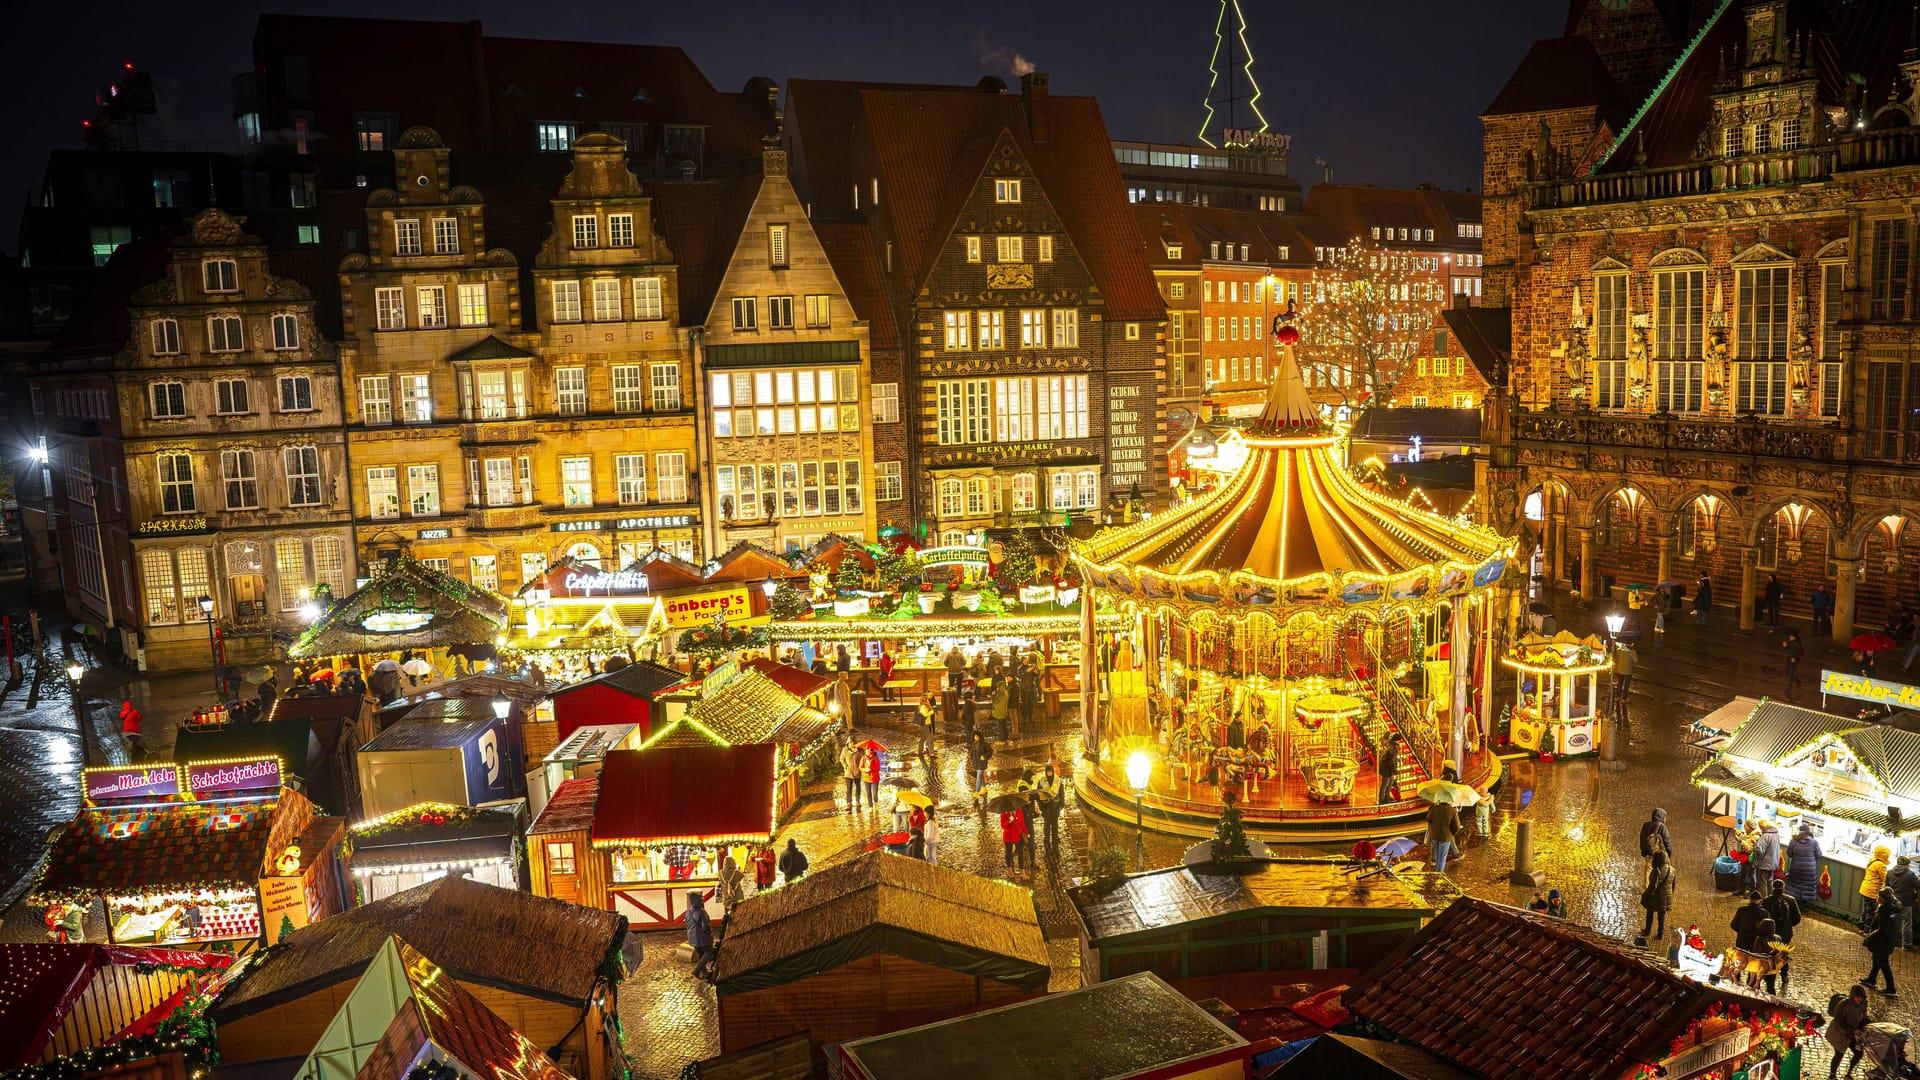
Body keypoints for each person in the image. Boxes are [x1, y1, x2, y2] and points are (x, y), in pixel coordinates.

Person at [1864, 886, 1901, 996]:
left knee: (1883, 962)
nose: (1877, 897)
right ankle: (1871, 979)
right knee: (1877, 958)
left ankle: (1891, 988)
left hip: (1883, 941)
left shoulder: (1885, 910)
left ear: (1883, 898)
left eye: (1879, 896)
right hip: (1889, 940)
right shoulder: (1893, 909)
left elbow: (1883, 930)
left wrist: (1870, 937)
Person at [1827, 985, 1871, 1079]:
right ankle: (1832, 1075)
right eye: (1857, 997)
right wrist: (1853, 1030)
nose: (1859, 999)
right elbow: (1838, 1021)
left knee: (1859, 1053)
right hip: (1840, 1034)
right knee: (1839, 1054)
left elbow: (1863, 1018)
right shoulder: (1843, 1004)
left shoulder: (1863, 1005)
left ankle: (1848, 1073)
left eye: (1861, 997)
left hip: (1853, 1035)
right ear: (1853, 996)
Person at [1639, 850, 1675, 943]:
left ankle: (1647, 930)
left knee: (1650, 912)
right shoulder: (1672, 869)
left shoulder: (1657, 871)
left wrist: (1645, 894)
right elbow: (1673, 884)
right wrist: (1670, 894)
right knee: (1661, 915)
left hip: (1655, 897)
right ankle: (1660, 934)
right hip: (1665, 897)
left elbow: (1653, 886)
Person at [1889, 855, 1920, 949]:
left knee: (1892, 921)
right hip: (1906, 901)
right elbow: (1918, 885)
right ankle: (1906, 944)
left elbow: (1887, 887)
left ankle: (1891, 941)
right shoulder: (1910, 874)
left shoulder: (1889, 872)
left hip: (1893, 900)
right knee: (1906, 923)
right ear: (1907, 865)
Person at [1785, 823, 1822, 902]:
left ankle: (1794, 902)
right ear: (1808, 832)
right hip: (1809, 871)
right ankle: (1803, 903)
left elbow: (1789, 854)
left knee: (1794, 885)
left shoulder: (1793, 841)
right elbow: (1819, 855)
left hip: (1796, 868)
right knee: (1807, 886)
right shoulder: (1814, 842)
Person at [1761, 879, 1802, 945]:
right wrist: (1789, 924)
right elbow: (1797, 918)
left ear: (1772, 887)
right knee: (1782, 953)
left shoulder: (1767, 900)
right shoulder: (1791, 900)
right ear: (1783, 888)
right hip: (1786, 933)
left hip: (1770, 934)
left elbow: (1762, 917)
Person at [685, 891, 715, 982]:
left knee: (701, 954)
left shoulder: (688, 912)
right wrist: (710, 934)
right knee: (708, 953)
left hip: (692, 937)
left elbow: (687, 923)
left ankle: (704, 972)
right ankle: (697, 970)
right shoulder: (701, 912)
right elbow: (705, 926)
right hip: (702, 937)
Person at [1424, 800, 1461, 874]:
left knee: (1437, 854)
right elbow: (1457, 826)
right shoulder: (1452, 810)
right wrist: (1452, 833)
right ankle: (1439, 873)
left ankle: (1437, 871)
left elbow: (1428, 819)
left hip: (1434, 834)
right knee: (1442, 856)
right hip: (1446, 836)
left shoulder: (1435, 808)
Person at [1035, 762, 1065, 849]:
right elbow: (1038, 794)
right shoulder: (1042, 781)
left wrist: (1062, 803)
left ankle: (1055, 836)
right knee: (1047, 823)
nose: (1049, 773)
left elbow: (1061, 792)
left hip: (1055, 805)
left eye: (1050, 772)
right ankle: (1046, 838)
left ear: (1052, 771)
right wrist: (1040, 806)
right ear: (1046, 772)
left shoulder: (1057, 780)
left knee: (1055, 822)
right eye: (1048, 772)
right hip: (1046, 806)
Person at [1862, 844, 1892, 927]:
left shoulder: (1871, 860)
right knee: (1871, 911)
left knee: (1865, 909)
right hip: (1872, 890)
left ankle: (1861, 927)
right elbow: (1884, 878)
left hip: (1865, 888)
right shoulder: (1880, 865)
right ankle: (1866, 930)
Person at [1750, 821, 1782, 889]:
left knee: (1762, 884)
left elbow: (1759, 850)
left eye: (1760, 827)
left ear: (1763, 827)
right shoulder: (1776, 834)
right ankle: (1770, 898)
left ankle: (1763, 899)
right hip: (1773, 863)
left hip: (1764, 864)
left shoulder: (1765, 836)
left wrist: (1755, 844)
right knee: (1769, 882)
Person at [999, 804, 1030, 874]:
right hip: (1008, 836)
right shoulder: (1004, 812)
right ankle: (1009, 869)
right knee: (1009, 853)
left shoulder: (1019, 810)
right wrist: (1009, 820)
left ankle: (1022, 871)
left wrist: (1026, 833)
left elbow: (1022, 823)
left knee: (1020, 853)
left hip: (1018, 835)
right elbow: (1003, 826)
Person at [717, 853, 744, 922]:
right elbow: (742, 876)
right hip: (736, 896)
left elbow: (720, 881)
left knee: (728, 912)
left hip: (726, 897)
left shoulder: (720, 873)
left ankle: (728, 926)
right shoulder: (736, 872)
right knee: (738, 912)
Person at [841, 739, 864, 811]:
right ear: (848, 743)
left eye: (854, 742)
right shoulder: (845, 750)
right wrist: (845, 766)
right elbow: (842, 759)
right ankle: (849, 802)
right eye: (850, 742)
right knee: (849, 788)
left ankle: (858, 800)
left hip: (857, 771)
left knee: (858, 787)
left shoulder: (860, 750)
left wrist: (861, 767)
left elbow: (863, 758)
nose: (852, 744)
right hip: (848, 772)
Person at [969, 730, 994, 796]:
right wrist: (972, 758)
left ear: (980, 736)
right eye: (975, 736)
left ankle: (977, 791)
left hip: (982, 763)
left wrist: (984, 756)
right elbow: (972, 752)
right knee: (981, 776)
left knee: (979, 776)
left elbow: (990, 750)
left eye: (977, 736)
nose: (976, 737)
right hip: (976, 763)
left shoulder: (984, 744)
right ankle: (984, 788)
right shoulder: (974, 744)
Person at [991, 677, 1012, 743]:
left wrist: (993, 695)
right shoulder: (1005, 692)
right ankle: (1005, 737)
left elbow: (994, 701)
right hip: (1003, 711)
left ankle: (1002, 739)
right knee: (1004, 725)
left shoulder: (1000, 694)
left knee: (1000, 726)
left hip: (999, 712)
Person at [916, 694, 937, 759]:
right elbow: (925, 715)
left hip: (926, 724)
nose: (928, 700)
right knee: (929, 739)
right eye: (927, 699)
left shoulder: (924, 706)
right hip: (926, 724)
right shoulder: (923, 707)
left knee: (923, 738)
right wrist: (932, 711)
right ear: (926, 700)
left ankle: (920, 750)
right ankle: (931, 754)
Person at [863, 743, 882, 808]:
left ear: (872, 751)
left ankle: (876, 804)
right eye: (867, 750)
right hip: (866, 778)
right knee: (868, 794)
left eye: (870, 750)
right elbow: (860, 767)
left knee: (875, 793)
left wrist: (870, 765)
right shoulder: (864, 758)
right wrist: (865, 769)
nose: (868, 751)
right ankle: (870, 806)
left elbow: (877, 768)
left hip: (875, 778)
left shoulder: (876, 758)